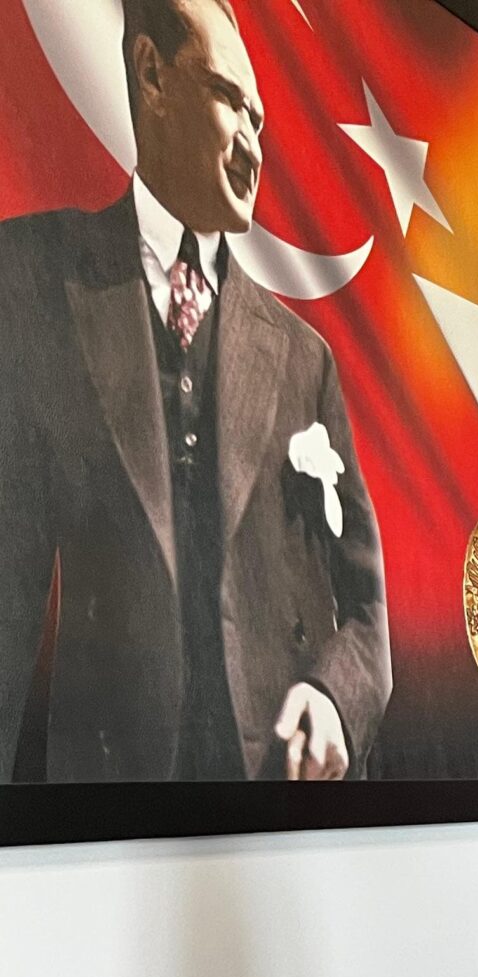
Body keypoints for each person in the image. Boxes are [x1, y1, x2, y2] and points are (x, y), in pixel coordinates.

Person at [0, 0, 388, 782]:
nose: (253, 145)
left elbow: (367, 605)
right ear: (151, 74)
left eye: (260, 120)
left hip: (263, 805)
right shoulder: (33, 275)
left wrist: (334, 697)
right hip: (101, 803)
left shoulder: (303, 358)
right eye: (230, 100)